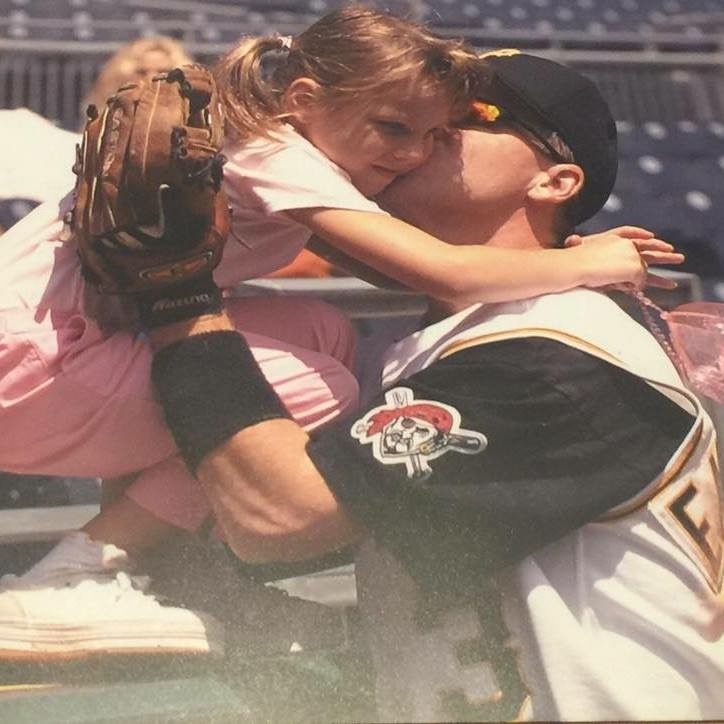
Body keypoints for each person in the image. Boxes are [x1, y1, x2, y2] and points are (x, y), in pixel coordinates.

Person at [53, 51, 719, 720]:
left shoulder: (558, 349)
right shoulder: (474, 340)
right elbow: (257, 524)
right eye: (403, 118)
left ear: (553, 181)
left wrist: (176, 294)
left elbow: (282, 517)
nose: (421, 133)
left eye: (462, 118)